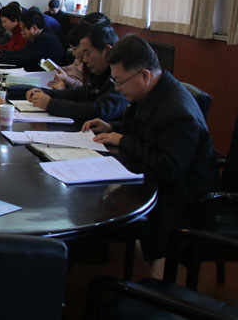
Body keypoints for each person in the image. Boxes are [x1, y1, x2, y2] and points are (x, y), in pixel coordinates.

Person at [83, 34, 216, 265]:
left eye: (121, 81)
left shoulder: (178, 112)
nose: (117, 88)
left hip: (178, 200)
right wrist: (111, 127)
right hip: (153, 179)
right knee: (91, 195)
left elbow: (170, 167)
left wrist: (123, 140)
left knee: (93, 209)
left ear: (144, 75)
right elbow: (144, 132)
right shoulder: (152, 92)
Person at [26, 24, 128, 122]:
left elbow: (98, 110)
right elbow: (80, 94)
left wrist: (50, 104)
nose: (84, 60)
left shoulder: (120, 76)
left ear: (107, 51)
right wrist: (44, 93)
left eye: (88, 53)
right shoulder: (99, 72)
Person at [0, 9, 65, 71]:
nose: (21, 33)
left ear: (34, 28)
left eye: (23, 29)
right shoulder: (38, 35)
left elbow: (24, 59)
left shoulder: (45, 39)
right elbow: (21, 52)